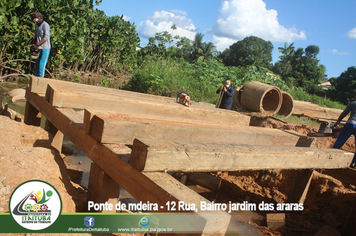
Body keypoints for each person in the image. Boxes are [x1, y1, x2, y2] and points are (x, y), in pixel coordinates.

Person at [332, 93, 356, 167]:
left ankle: (331, 158)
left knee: (339, 142)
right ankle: (353, 164)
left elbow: (344, 113)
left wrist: (337, 122)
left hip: (350, 123)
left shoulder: (353, 103)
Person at [33, 12, 50, 78]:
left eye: (37, 20)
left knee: (41, 65)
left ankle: (41, 80)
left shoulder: (45, 25)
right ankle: (36, 78)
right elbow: (36, 35)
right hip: (39, 47)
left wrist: (38, 44)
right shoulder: (36, 25)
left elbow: (46, 37)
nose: (36, 21)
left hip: (45, 48)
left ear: (41, 18)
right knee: (37, 64)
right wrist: (34, 43)